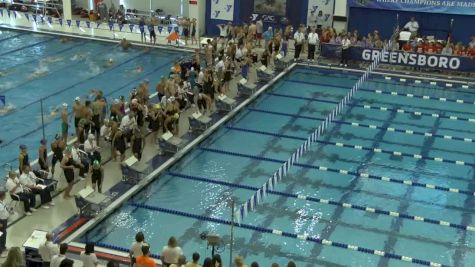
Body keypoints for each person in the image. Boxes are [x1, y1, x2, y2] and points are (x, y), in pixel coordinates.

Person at [0, 191, 11, 258]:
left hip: (4, 221)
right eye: (5, 195)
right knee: (0, 236)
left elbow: (5, 208)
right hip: (1, 222)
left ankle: (3, 247)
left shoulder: (2, 202)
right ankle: (0, 252)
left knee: (4, 234)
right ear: (2, 196)